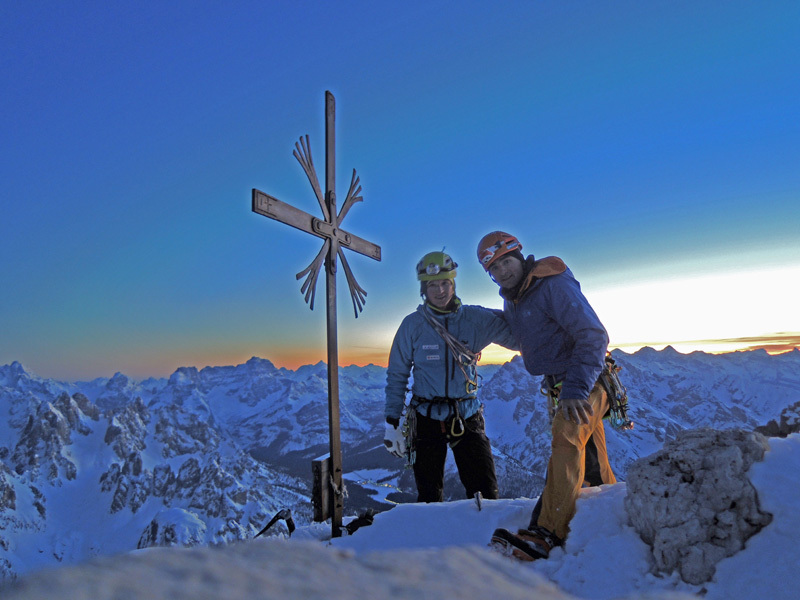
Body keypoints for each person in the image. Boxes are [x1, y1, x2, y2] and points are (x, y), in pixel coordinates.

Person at [476, 231, 617, 561]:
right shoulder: (516, 297)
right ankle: (613, 504)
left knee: (566, 441)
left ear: (521, 257)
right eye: (494, 269)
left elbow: (593, 336)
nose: (502, 272)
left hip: (584, 380)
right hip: (563, 383)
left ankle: (546, 533)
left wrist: (575, 389)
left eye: (506, 262)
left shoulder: (552, 285)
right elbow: (530, 335)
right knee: (591, 456)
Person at [383, 250, 518, 503]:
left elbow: (516, 338)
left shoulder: (475, 319)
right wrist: (392, 421)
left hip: (466, 414)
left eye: (445, 283)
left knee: (485, 495)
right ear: (424, 289)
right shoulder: (412, 325)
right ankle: (436, 541)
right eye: (433, 284)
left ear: (454, 284)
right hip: (426, 417)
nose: (440, 290)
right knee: (429, 496)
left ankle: (481, 541)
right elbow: (397, 374)